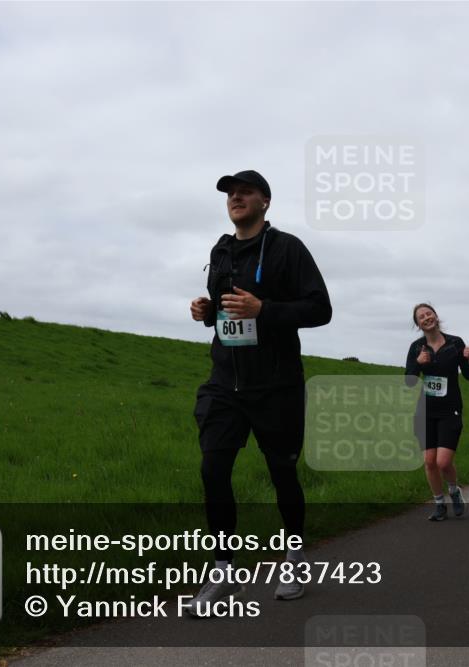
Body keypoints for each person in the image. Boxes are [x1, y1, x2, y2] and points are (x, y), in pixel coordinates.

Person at [188, 170, 332, 612]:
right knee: (213, 471)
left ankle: (293, 557)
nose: (236, 197)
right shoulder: (221, 249)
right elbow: (226, 313)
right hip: (224, 382)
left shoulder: (288, 248)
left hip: (276, 384)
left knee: (282, 475)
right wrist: (206, 310)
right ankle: (224, 572)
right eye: (231, 193)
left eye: (245, 192)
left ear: (265, 201)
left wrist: (264, 309)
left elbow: (320, 309)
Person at [404, 303, 469, 521]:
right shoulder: (417, 348)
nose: (427, 318)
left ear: (436, 316)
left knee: (443, 462)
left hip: (450, 410)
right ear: (418, 324)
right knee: (429, 461)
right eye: (421, 317)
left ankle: (454, 492)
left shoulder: (455, 343)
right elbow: (409, 381)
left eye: (429, 313)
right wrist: (418, 364)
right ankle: (439, 504)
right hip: (425, 411)